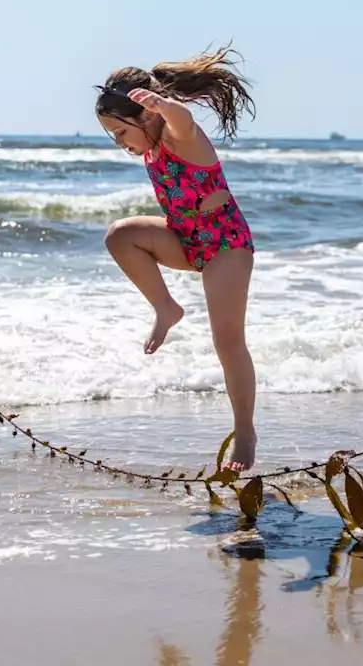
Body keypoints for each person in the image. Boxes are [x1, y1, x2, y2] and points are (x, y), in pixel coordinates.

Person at [93, 44, 259, 471]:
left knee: (228, 341)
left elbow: (181, 119)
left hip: (225, 244)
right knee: (120, 236)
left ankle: (244, 430)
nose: (121, 144)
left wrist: (162, 104)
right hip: (184, 238)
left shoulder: (177, 133)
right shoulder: (150, 146)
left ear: (145, 115)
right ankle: (166, 306)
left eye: (121, 134)